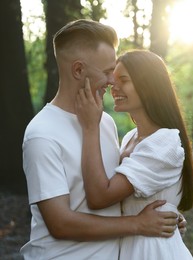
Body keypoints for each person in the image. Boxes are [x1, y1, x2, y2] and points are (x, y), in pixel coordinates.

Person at [21, 20, 182, 260]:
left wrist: (165, 214)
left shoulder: (105, 122)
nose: (112, 81)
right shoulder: (42, 134)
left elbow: (117, 191)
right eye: (107, 71)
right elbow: (61, 224)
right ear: (78, 70)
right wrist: (138, 224)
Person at [75, 49, 193, 259]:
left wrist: (90, 127)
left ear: (149, 86)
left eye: (124, 79)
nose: (114, 86)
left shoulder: (164, 142)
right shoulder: (131, 138)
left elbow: (99, 196)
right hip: (131, 247)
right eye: (114, 79)